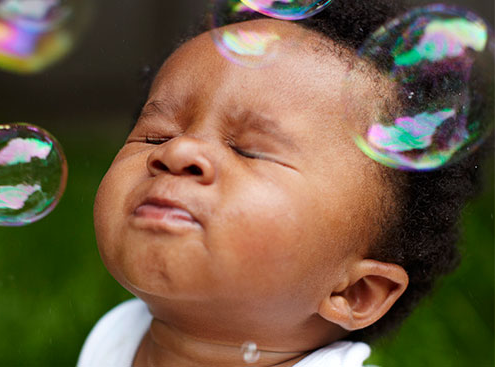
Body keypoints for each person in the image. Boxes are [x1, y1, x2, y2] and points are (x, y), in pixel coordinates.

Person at [78, 1, 492, 366]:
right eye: (157, 135)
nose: (178, 152)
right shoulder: (113, 339)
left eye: (250, 152)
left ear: (355, 293)